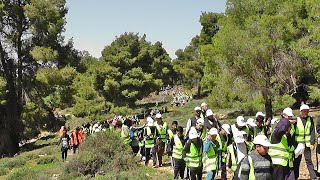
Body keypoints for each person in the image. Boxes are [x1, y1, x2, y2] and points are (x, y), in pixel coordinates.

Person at [268, 107, 295, 180]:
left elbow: (290, 146)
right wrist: (288, 121)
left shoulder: (287, 135)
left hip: (287, 163)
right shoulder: (277, 134)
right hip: (278, 165)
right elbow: (282, 127)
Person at [293, 104, 317, 180]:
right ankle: (295, 177)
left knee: (309, 160)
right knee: (297, 161)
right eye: (304, 111)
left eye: (307, 111)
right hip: (298, 144)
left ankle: (313, 177)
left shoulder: (310, 119)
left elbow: (312, 131)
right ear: (301, 111)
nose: (306, 112)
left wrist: (312, 142)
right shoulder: (296, 119)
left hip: (307, 144)